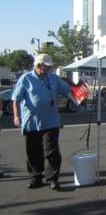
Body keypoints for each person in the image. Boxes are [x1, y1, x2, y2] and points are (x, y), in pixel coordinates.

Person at [11, 54, 75, 190]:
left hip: (51, 121)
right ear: (38, 65)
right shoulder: (26, 78)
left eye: (49, 67)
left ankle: (52, 179)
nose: (47, 69)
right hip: (31, 122)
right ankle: (36, 177)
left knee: (51, 151)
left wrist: (81, 91)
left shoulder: (53, 78)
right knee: (33, 151)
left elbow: (69, 91)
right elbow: (15, 98)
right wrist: (16, 117)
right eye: (44, 66)